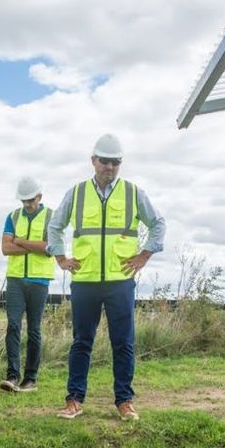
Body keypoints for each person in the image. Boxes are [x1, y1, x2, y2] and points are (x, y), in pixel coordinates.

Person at [47, 134, 165, 421]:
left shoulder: (133, 192)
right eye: (104, 161)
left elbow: (158, 223)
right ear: (93, 161)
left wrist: (144, 255)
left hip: (120, 281)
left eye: (115, 162)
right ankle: (74, 400)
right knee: (81, 342)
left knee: (123, 343)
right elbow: (55, 225)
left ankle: (124, 401)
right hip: (85, 280)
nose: (110, 167)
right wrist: (61, 257)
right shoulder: (76, 193)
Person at [0, 176, 55, 393]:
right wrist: (34, 246)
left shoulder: (51, 217)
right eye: (23, 201)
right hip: (15, 280)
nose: (26, 205)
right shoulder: (12, 216)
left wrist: (20, 241)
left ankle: (30, 379)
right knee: (13, 325)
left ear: (39, 197)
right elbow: (5, 248)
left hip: (39, 281)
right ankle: (12, 376)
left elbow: (49, 248)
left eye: (30, 200)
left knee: (34, 329)